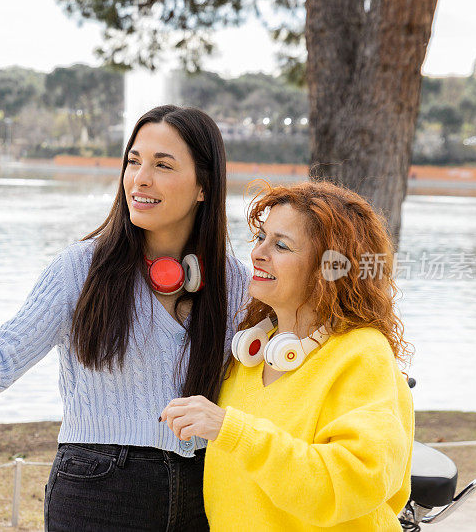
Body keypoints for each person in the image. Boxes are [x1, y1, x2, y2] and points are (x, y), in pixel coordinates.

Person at [0, 105, 249, 531]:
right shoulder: (79, 270)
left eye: (163, 165)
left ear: (204, 186)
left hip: (205, 491)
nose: (140, 178)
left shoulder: (236, 284)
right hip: (98, 493)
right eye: (134, 161)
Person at [160, 181, 414, 531]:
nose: (258, 253)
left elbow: (355, 481)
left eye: (281, 245)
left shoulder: (362, 353)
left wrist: (231, 429)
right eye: (261, 237)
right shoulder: (253, 352)